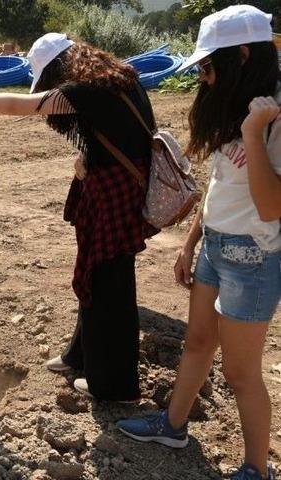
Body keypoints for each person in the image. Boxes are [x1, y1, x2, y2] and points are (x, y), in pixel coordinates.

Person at [0, 33, 158, 401]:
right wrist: (89, 158)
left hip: (113, 194)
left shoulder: (84, 91)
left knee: (111, 282)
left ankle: (116, 385)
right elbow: (132, 132)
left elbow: (19, 106)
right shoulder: (122, 78)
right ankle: (81, 356)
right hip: (115, 186)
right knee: (95, 271)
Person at [117, 6, 281, 480]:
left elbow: (271, 207)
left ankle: (256, 468)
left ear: (243, 55)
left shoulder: (270, 114)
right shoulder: (238, 102)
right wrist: (191, 243)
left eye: (209, 66)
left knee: (240, 373)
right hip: (215, 247)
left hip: (253, 256)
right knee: (196, 343)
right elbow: (219, 184)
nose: (204, 78)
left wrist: (253, 133)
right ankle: (172, 425)